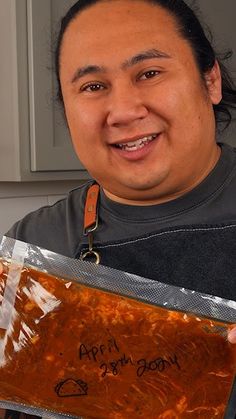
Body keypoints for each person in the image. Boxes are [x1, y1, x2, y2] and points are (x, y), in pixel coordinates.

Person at [2, 0, 236, 418]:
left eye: (149, 73)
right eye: (93, 86)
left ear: (211, 80)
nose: (125, 111)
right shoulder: (33, 248)